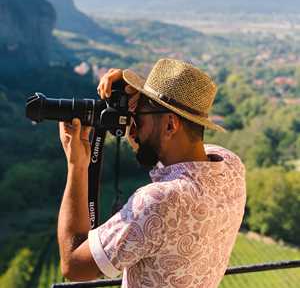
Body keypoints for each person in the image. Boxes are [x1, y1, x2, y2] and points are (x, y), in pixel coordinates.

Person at [58, 58, 246, 288]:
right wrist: (146, 110)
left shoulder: (159, 201)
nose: (132, 124)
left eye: (138, 117)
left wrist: (76, 164)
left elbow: (73, 265)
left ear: (170, 125)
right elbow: (177, 161)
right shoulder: (231, 167)